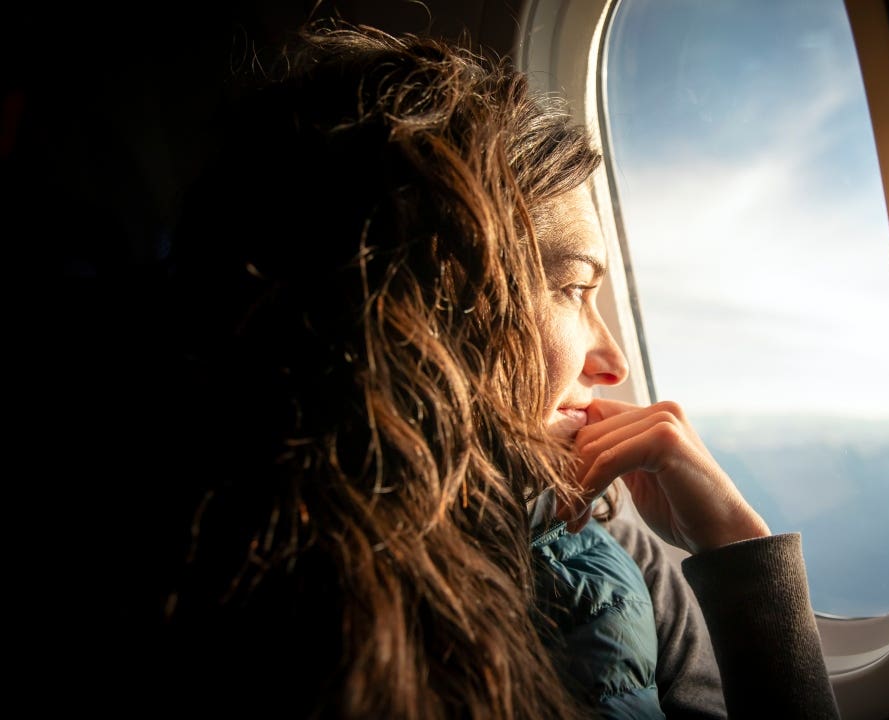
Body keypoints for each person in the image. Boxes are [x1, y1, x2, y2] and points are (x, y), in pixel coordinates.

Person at [143, 21, 838, 720]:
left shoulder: (606, 536)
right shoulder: (247, 597)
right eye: (571, 288)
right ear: (428, 307)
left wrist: (737, 546)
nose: (613, 362)